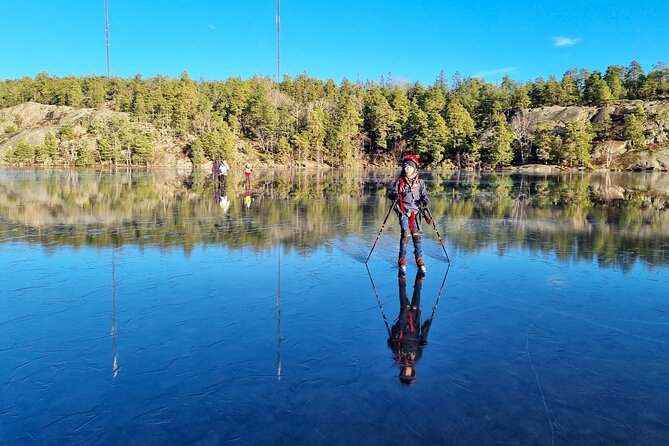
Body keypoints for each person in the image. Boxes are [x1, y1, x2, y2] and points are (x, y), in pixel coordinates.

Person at [388, 270, 433, 384]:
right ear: (413, 372)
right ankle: (419, 277)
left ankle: (402, 278)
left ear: (402, 372)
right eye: (409, 374)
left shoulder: (398, 355)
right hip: (416, 323)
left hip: (404, 323)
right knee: (417, 298)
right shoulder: (417, 357)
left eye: (405, 374)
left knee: (404, 301)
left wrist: (396, 331)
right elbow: (423, 341)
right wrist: (426, 328)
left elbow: (391, 340)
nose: (407, 372)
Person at [387, 153, 429, 273]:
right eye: (405, 166)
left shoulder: (420, 183)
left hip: (416, 213)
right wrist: (394, 195)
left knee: (416, 236)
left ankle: (419, 259)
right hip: (404, 212)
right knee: (406, 235)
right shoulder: (400, 182)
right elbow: (391, 194)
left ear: (414, 168)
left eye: (409, 167)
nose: (407, 168)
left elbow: (424, 196)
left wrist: (425, 200)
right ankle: (402, 259)